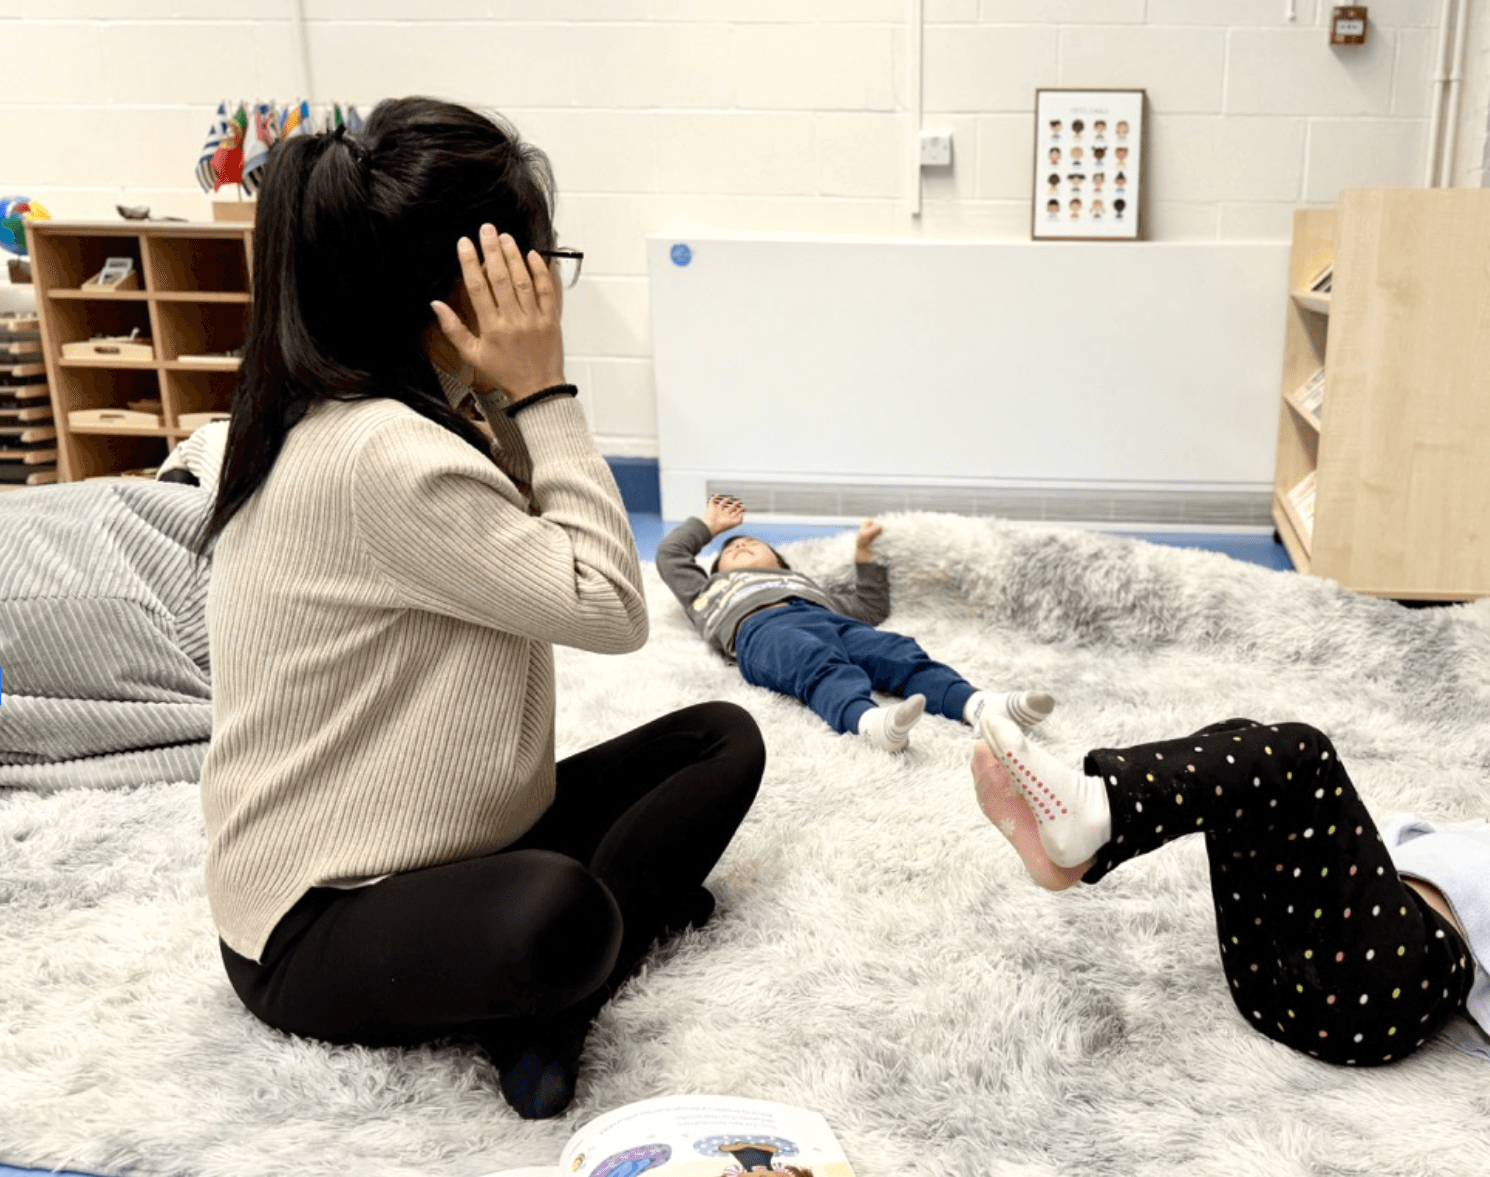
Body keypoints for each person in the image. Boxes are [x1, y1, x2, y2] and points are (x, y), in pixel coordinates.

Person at [198, 96, 765, 1121]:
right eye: (539, 266)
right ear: (472, 282)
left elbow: (541, 533)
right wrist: (544, 391)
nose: (547, 291)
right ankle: (549, 1001)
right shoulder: (385, 456)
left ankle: (543, 982)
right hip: (319, 918)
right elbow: (607, 603)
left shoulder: (385, 413)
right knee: (564, 912)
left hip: (461, 841)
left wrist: (499, 391)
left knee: (719, 741)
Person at [971, 713, 1490, 1066]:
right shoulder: (1487, 842)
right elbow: (1351, 851)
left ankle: (1094, 817)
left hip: (1388, 991)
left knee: (1300, 751)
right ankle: (1077, 853)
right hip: (1281, 979)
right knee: (1248, 746)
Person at [657, 495, 1051, 752]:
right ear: (717, 572)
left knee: (896, 650)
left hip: (827, 621)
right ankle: (869, 722)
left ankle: (977, 704)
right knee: (814, 662)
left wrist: (864, 554)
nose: (740, 545)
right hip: (763, 631)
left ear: (780, 563)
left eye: (752, 544)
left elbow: (869, 607)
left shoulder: (809, 588)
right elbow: (671, 554)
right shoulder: (708, 592)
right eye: (729, 551)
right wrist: (709, 527)